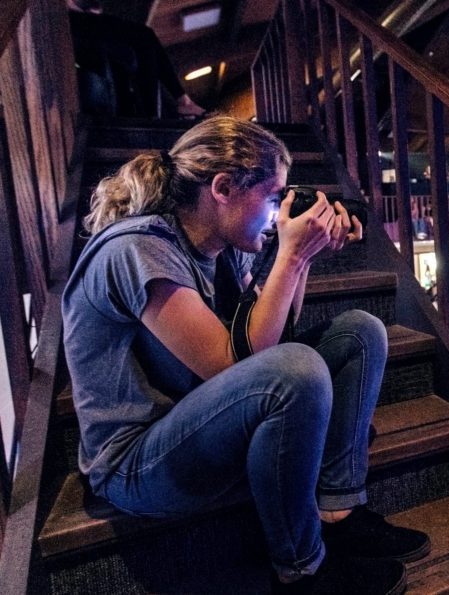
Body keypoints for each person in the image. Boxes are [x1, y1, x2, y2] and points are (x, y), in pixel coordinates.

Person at [62, 116, 428, 594]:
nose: (278, 212)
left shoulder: (223, 245)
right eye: (273, 196)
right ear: (223, 187)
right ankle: (301, 570)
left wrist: (305, 257)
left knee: (360, 333)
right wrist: (290, 257)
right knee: (296, 372)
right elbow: (236, 365)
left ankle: (338, 510)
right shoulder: (138, 249)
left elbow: (273, 336)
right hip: (135, 462)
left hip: (199, 420)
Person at [67, 0, 206, 118]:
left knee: (130, 55)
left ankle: (175, 104)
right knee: (144, 36)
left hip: (82, 19)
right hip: (73, 18)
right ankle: (168, 108)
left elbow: (95, 8)